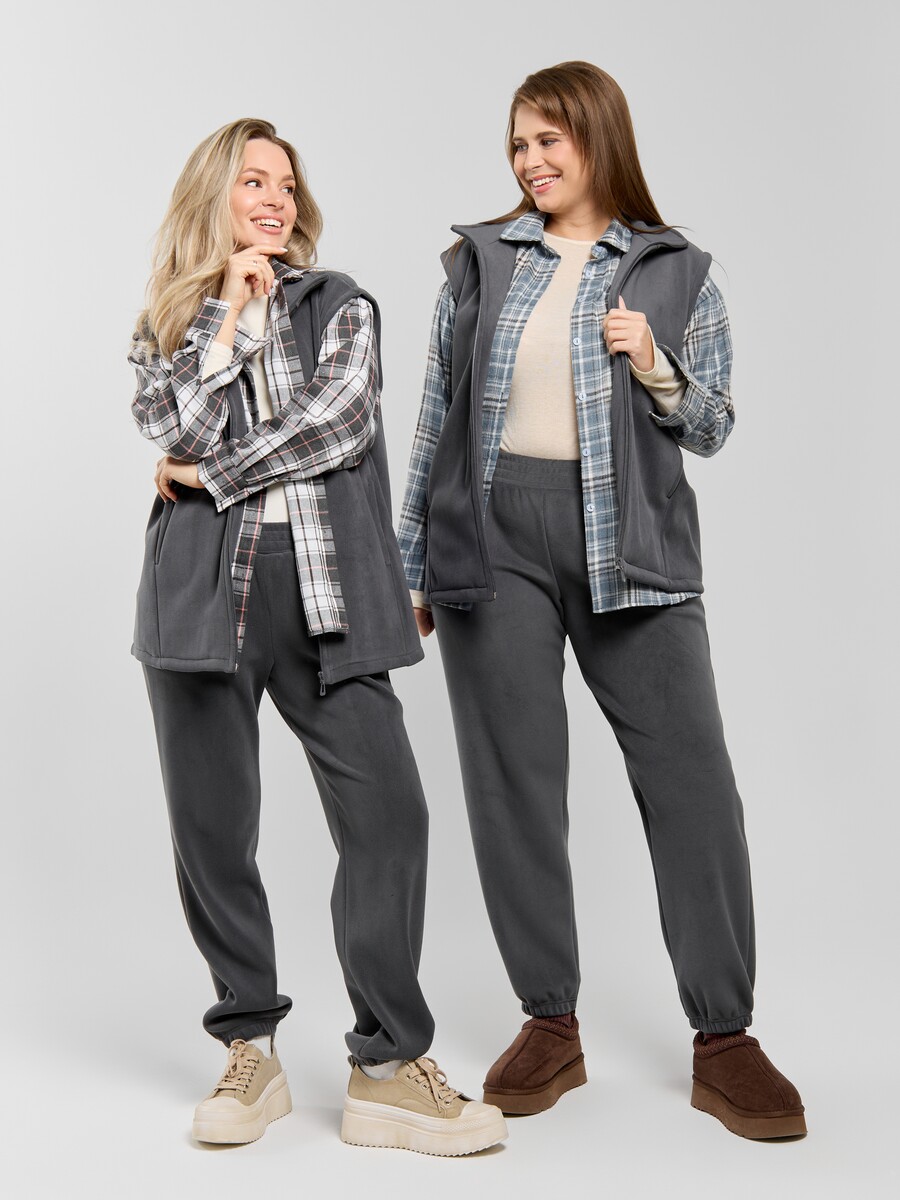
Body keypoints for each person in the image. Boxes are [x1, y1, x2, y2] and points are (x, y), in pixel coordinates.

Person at [397, 63, 806, 1140]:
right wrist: (411, 563)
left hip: (635, 549)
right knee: (513, 785)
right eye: (517, 144)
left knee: (693, 781)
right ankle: (550, 1021)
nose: (529, 161)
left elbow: (712, 426)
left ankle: (725, 1037)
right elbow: (436, 416)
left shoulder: (678, 272)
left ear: (597, 136)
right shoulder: (478, 262)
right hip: (493, 546)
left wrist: (656, 364)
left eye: (549, 140)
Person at [128, 117, 506, 1156]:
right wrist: (226, 320)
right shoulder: (170, 324)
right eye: (254, 180)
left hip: (332, 601)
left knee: (391, 818)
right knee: (213, 832)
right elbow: (169, 426)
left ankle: (386, 1066)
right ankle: (248, 1049)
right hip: (198, 600)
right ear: (214, 194)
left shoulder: (340, 304)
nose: (275, 199)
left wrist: (210, 474)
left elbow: (338, 424)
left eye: (287, 185)